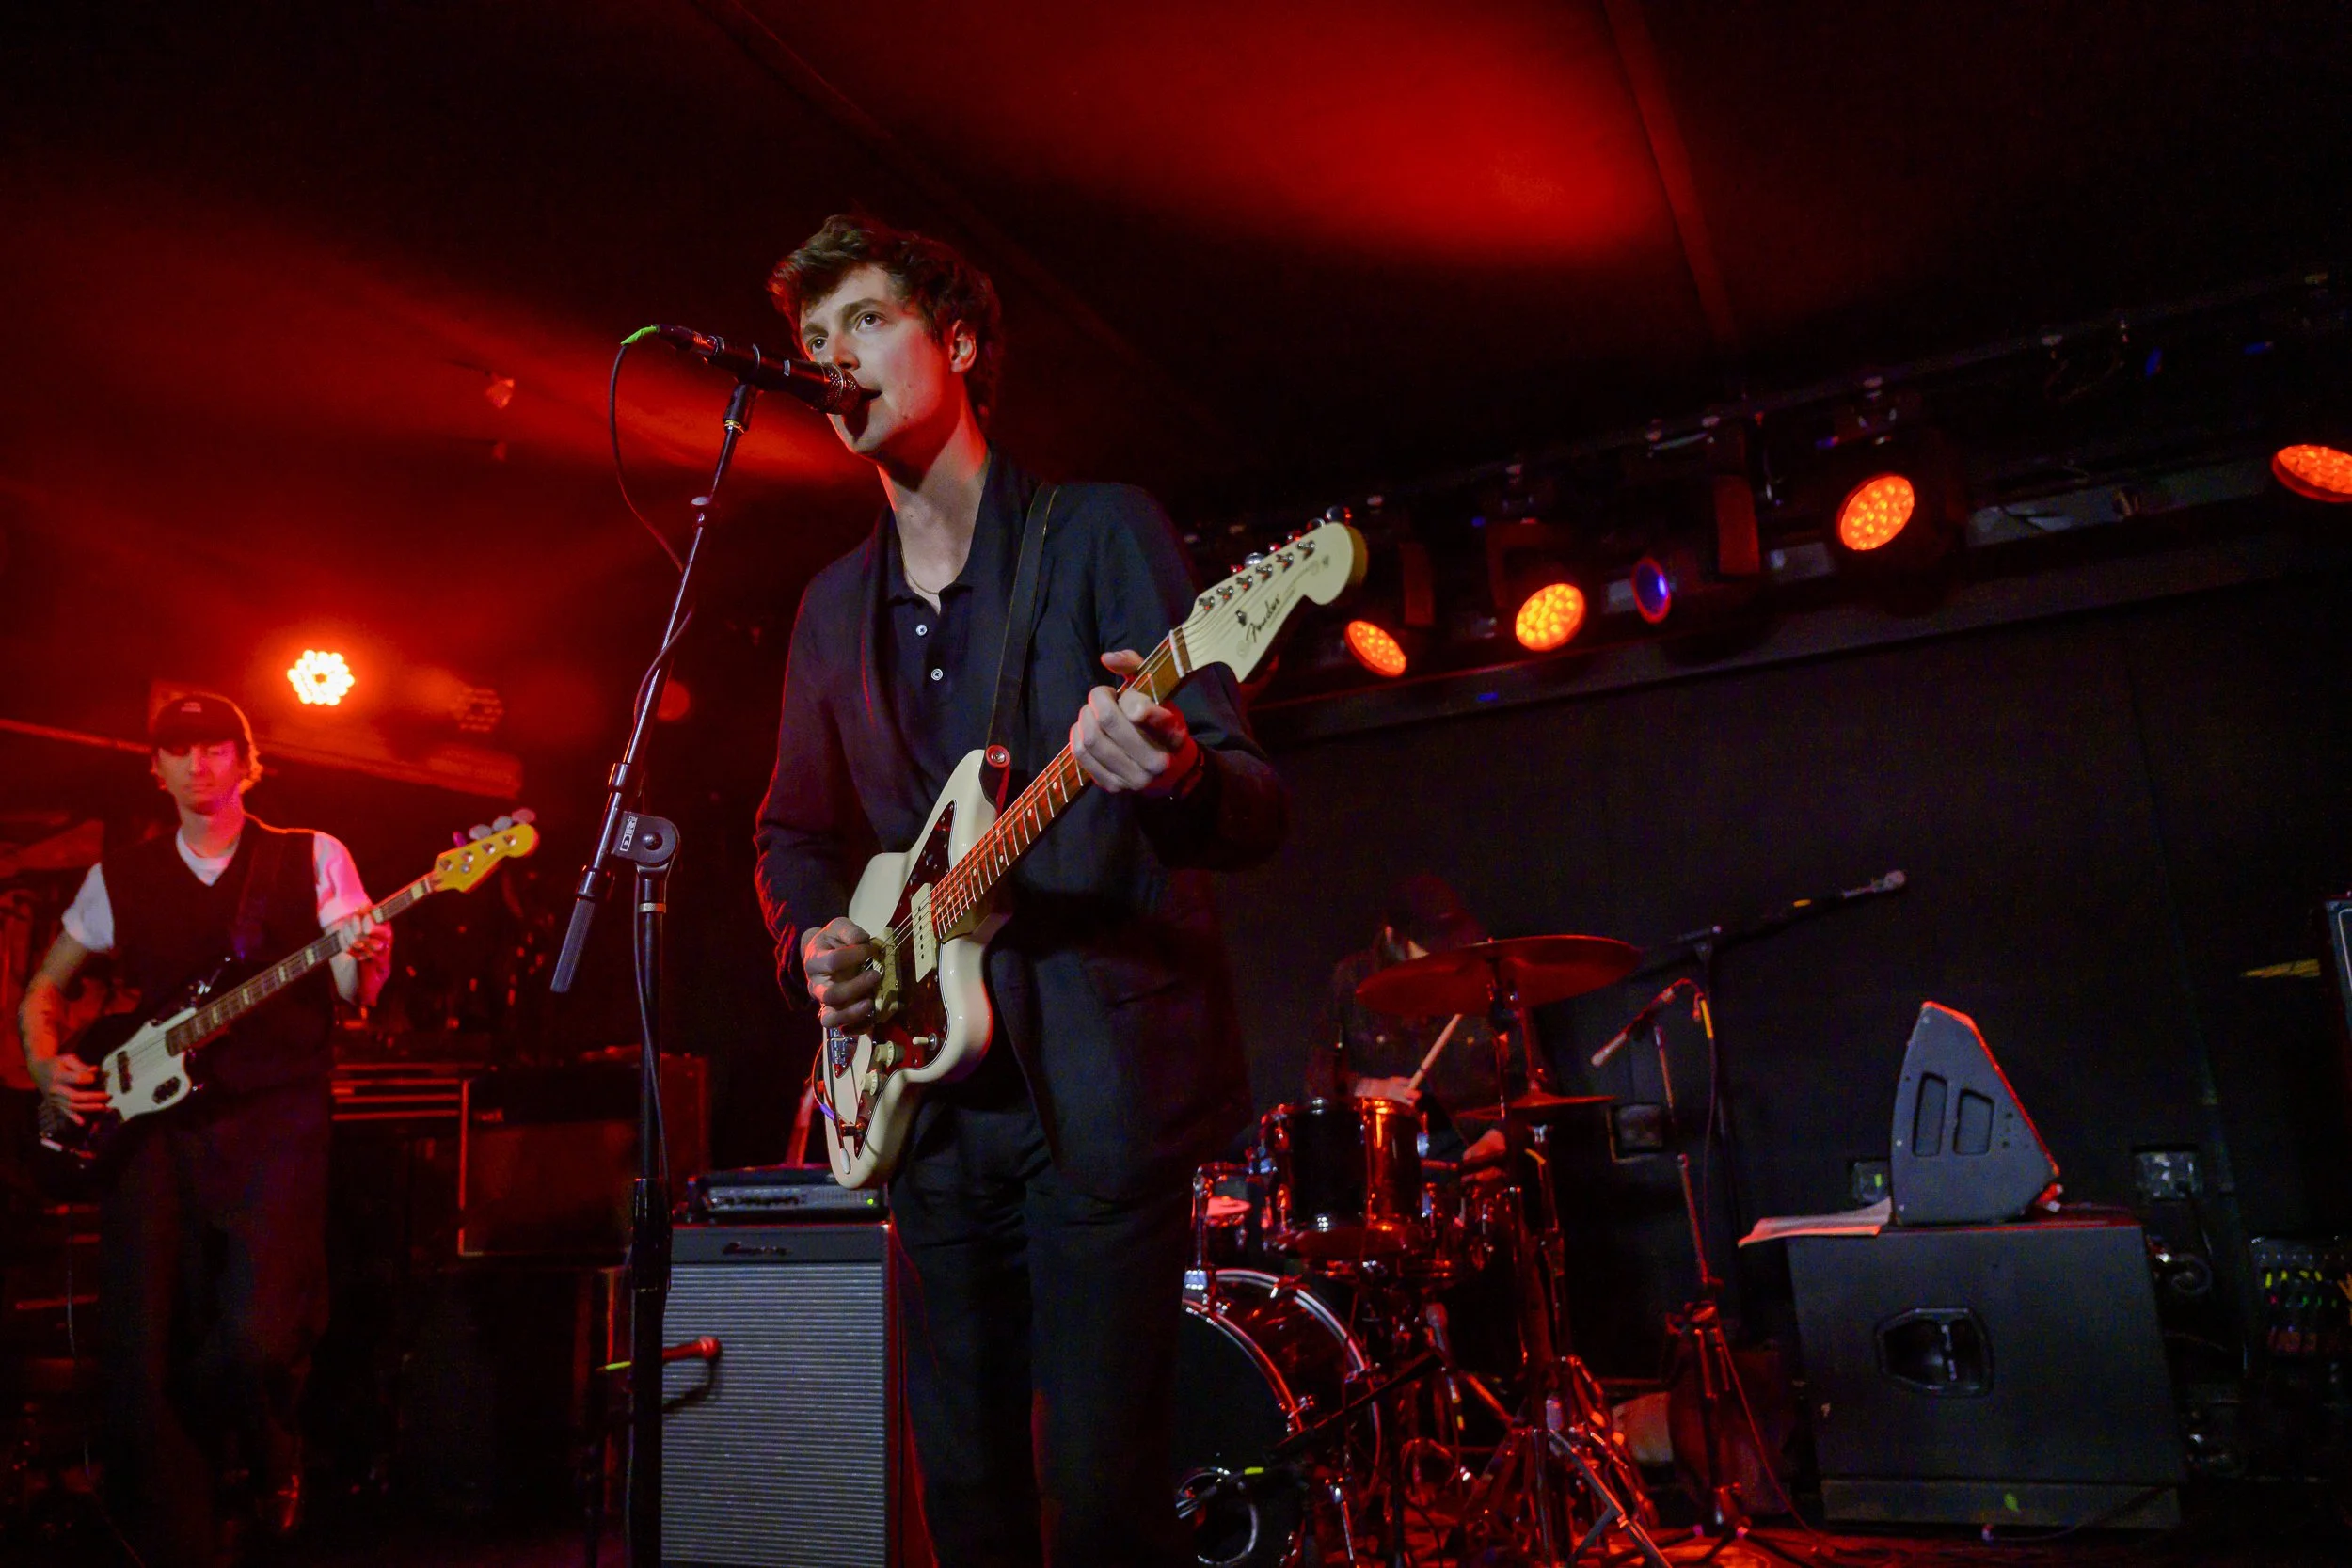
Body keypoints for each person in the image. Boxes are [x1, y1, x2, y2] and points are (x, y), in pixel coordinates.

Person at [753, 214, 1286, 1567]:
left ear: (962, 341)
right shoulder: (829, 610)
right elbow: (796, 834)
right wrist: (816, 941)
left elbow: (1252, 799)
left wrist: (1168, 771)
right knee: (970, 1492)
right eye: (812, 341)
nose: (832, 360)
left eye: (865, 322)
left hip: (1096, 1082)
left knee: (1103, 1499)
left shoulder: (1099, 532)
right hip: (924, 1100)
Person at [17, 692, 390, 1567]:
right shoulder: (121, 875)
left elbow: (352, 995)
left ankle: (272, 1454)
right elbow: (47, 984)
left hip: (277, 1119)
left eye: (215, 746)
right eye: (176, 749)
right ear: (156, 769)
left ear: (246, 760)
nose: (196, 762)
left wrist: (364, 956)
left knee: (257, 1333)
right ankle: (179, 1536)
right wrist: (43, 1062)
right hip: (152, 1130)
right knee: (144, 1351)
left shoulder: (309, 856)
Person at [1308, 874, 1518, 1164]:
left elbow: (1531, 1081)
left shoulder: (1482, 975)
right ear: (1392, 936)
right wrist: (1368, 1089)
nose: (1437, 952)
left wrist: (1498, 1138)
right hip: (1384, 1156)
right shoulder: (1351, 980)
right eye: (1426, 943)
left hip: (1473, 1151)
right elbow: (1317, 1081)